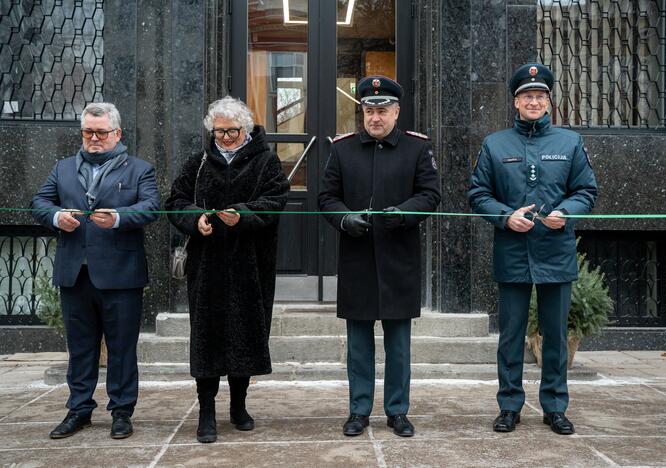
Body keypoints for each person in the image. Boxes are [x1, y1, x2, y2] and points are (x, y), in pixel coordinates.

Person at [469, 63, 598, 435]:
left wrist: (566, 213)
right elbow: (479, 193)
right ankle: (509, 405)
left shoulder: (569, 142)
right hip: (512, 249)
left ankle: (555, 406)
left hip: (555, 250)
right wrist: (505, 216)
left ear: (548, 101)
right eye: (527, 96)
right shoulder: (495, 144)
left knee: (555, 336)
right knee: (510, 335)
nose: (534, 101)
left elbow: (586, 191)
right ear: (516, 101)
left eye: (540, 96)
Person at [319, 76, 441, 438]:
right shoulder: (341, 150)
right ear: (362, 112)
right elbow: (326, 197)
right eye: (369, 110)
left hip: (398, 258)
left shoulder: (417, 149)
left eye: (383, 110)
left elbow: (430, 194)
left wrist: (403, 213)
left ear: (396, 111)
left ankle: (397, 411)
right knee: (358, 345)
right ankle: (359, 410)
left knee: (398, 344)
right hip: (356, 258)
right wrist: (344, 218)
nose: (375, 117)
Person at [31, 102, 160, 439]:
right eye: (88, 132)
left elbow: (150, 207)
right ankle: (79, 410)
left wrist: (117, 218)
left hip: (121, 275)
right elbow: (39, 203)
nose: (93, 139)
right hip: (75, 275)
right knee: (81, 348)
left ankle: (121, 412)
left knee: (121, 349)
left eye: (101, 133)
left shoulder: (139, 169)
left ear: (117, 134)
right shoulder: (62, 168)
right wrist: (58, 217)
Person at [165, 96, 289, 443]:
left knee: (245, 334)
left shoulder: (266, 162)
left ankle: (239, 405)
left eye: (232, 131)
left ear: (246, 128)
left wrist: (242, 214)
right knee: (207, 337)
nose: (225, 138)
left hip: (250, 265)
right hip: (208, 268)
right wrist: (195, 219)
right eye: (218, 132)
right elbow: (175, 201)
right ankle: (206, 410)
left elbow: (276, 200)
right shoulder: (200, 162)